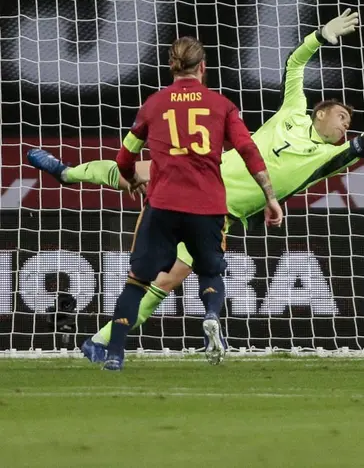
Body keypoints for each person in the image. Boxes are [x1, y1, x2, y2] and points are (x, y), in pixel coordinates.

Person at [27, 9, 364, 362]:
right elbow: (294, 65)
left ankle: (100, 342)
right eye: (342, 116)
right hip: (202, 172)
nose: (347, 124)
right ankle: (67, 173)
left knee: (165, 282)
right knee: (135, 171)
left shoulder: (328, 159)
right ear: (321, 112)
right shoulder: (293, 110)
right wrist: (320, 36)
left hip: (218, 211)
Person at [99, 36, 284, 371]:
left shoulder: (154, 104)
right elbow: (248, 151)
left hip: (164, 204)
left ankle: (114, 352)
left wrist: (131, 177)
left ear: (172, 67)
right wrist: (270, 197)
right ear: (203, 67)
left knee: (137, 282)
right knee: (210, 271)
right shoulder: (222, 105)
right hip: (208, 206)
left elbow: (125, 155)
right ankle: (211, 314)